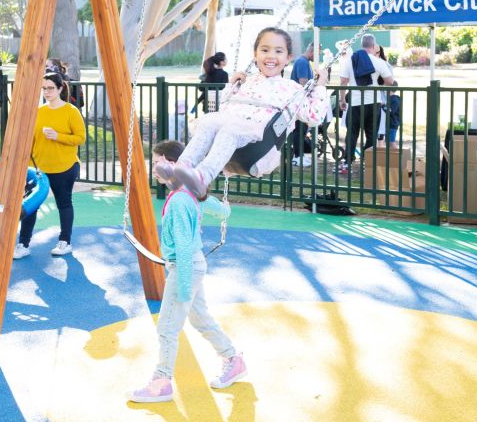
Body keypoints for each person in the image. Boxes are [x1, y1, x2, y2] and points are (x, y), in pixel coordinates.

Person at [129, 140, 245, 403]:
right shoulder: (189, 192)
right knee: (200, 318)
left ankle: (162, 382)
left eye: (157, 161)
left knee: (167, 327)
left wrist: (181, 286)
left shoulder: (181, 199)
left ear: (171, 164)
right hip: (191, 266)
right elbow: (219, 209)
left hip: (185, 267)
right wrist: (224, 207)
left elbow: (182, 245)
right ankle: (233, 358)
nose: (154, 167)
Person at [155, 28, 329, 199]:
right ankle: (182, 168)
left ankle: (202, 177)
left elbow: (314, 117)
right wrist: (231, 85)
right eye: (265, 50)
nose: (270, 56)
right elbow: (224, 109)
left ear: (288, 58)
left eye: (278, 51)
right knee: (209, 123)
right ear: (255, 55)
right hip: (233, 132)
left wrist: (321, 86)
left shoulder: (293, 89)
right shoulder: (247, 82)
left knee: (230, 130)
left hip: (259, 144)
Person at [13, 72, 86, 259]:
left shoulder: (71, 111)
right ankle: (23, 243)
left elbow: (80, 138)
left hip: (64, 166)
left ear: (61, 88)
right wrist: (28, 166)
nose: (46, 91)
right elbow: (30, 141)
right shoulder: (37, 112)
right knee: (31, 206)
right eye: (44, 88)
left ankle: (65, 241)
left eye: (51, 88)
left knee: (64, 203)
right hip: (39, 169)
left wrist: (58, 136)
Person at [338, 33, 394, 173]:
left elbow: (343, 81)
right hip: (374, 103)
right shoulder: (378, 61)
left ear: (361, 45)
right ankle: (367, 164)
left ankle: (348, 163)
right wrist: (380, 86)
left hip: (356, 103)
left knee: (352, 134)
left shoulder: (350, 60)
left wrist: (342, 99)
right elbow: (390, 81)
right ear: (374, 46)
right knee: (372, 134)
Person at [290, 42, 314, 166]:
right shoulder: (302, 62)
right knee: (299, 130)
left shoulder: (304, 62)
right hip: (299, 102)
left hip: (301, 101)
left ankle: (299, 155)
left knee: (301, 130)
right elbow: (303, 83)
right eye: (317, 53)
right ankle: (297, 156)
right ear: (311, 51)